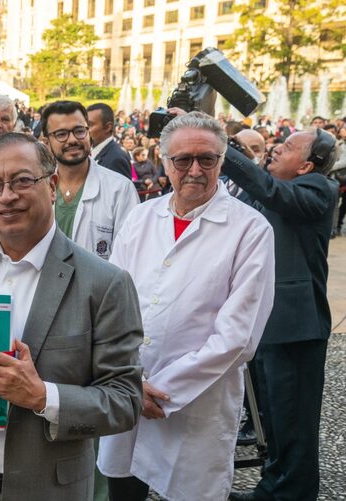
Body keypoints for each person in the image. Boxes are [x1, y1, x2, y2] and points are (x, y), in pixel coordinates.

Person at [0, 132, 143, 500]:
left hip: (46, 490)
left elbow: (125, 400)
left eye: (23, 181)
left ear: (52, 185)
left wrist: (43, 396)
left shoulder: (104, 283)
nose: (6, 196)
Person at [97, 112, 275, 501]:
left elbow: (237, 338)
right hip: (131, 385)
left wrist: (160, 389)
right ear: (165, 163)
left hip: (197, 402)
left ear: (221, 162)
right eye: (183, 160)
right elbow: (112, 303)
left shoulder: (250, 229)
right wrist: (129, 383)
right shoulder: (142, 218)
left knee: (191, 490)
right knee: (123, 488)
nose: (194, 169)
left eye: (206, 159)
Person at [225, 129, 339, 501]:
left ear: (306, 165)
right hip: (265, 324)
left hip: (296, 329)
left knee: (294, 421)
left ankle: (293, 493)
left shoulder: (318, 189)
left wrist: (216, 144)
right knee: (273, 419)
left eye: (288, 146)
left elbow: (272, 193)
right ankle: (273, 487)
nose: (276, 147)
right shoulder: (274, 189)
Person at [41, 100, 138, 260]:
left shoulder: (120, 190)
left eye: (79, 131)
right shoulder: (38, 187)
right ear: (47, 142)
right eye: (61, 134)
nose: (72, 140)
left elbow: (129, 257)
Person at [87, 103, 132, 179]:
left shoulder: (116, 158)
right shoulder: (91, 151)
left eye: (89, 125)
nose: (84, 129)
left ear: (108, 127)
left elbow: (120, 190)